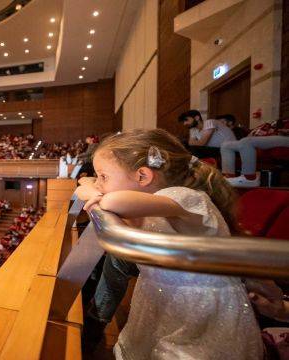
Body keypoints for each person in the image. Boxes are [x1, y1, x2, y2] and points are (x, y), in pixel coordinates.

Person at [75, 129, 262, 359]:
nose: (100, 184)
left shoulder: (184, 196)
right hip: (164, 298)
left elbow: (113, 199)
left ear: (143, 176)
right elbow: (84, 184)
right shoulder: (149, 201)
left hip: (201, 309)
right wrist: (95, 185)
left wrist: (97, 195)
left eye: (104, 177)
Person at [220, 118, 289, 187]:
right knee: (226, 145)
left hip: (285, 137)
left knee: (247, 141)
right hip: (272, 135)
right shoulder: (279, 121)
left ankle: (249, 179)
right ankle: (228, 178)